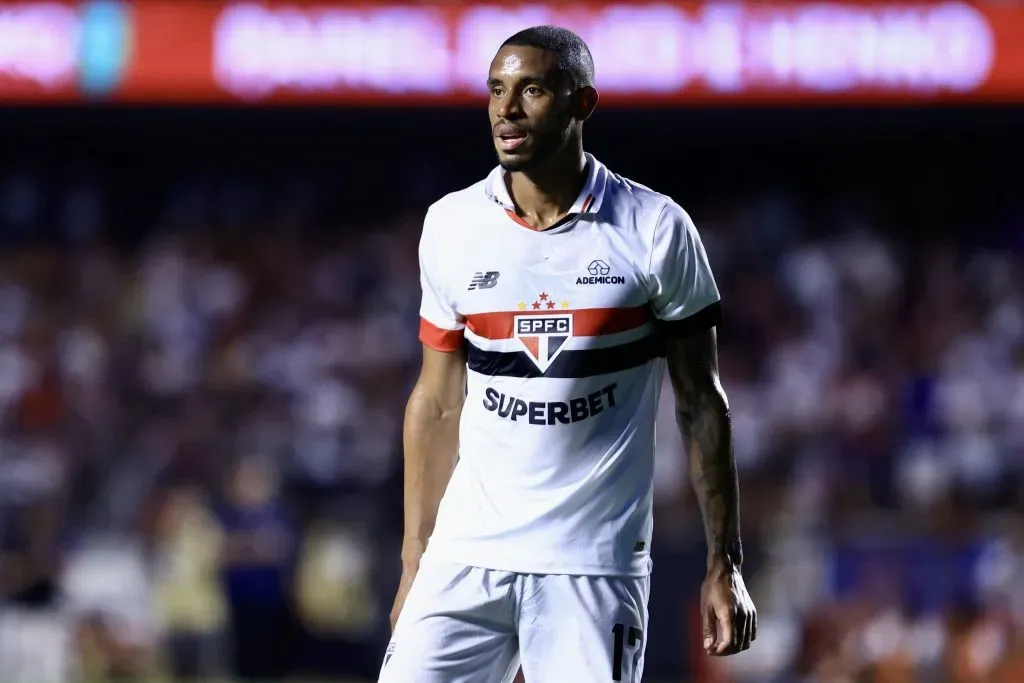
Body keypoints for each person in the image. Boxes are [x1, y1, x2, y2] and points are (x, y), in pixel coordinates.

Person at [380, 25, 756, 683]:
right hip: (463, 557)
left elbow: (702, 403)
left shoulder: (655, 230)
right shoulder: (452, 226)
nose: (507, 109)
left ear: (582, 104)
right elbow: (437, 404)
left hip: (593, 564)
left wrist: (723, 563)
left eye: (531, 89)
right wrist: (415, 559)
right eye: (497, 90)